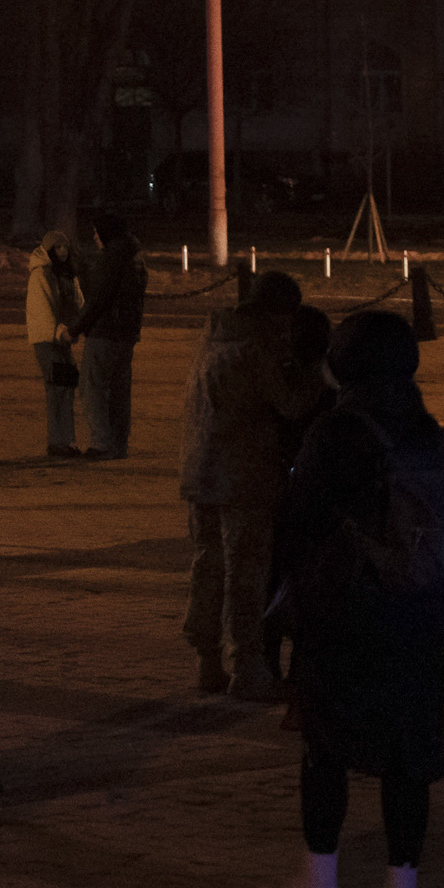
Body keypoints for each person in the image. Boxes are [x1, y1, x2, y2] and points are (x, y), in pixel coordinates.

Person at [252, 310, 444, 888]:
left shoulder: (339, 431)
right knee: (408, 751)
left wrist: (274, 622)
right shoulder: (428, 430)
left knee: (327, 744)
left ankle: (320, 885)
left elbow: (294, 530)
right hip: (421, 613)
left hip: (347, 615)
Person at [177, 270, 320, 699]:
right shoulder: (255, 349)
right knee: (246, 572)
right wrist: (319, 375)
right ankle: (247, 665)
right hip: (244, 476)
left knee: (208, 565)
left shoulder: (212, 341)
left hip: (200, 471)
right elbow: (291, 404)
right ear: (275, 313)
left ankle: (206, 660)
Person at [74, 209, 146, 458]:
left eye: (96, 232)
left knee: (91, 388)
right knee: (118, 391)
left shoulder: (112, 257)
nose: (94, 237)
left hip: (105, 332)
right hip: (126, 334)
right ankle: (118, 443)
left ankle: (102, 443)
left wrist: (76, 328)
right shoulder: (133, 256)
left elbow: (99, 299)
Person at [24, 236, 86, 457]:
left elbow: (78, 304)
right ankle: (57, 442)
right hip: (47, 340)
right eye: (57, 247)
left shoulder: (67, 275)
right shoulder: (41, 275)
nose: (62, 251)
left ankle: (65, 440)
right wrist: (60, 331)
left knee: (67, 387)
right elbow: (42, 309)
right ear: (49, 250)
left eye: (65, 247)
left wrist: (79, 326)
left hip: (63, 338)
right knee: (57, 388)